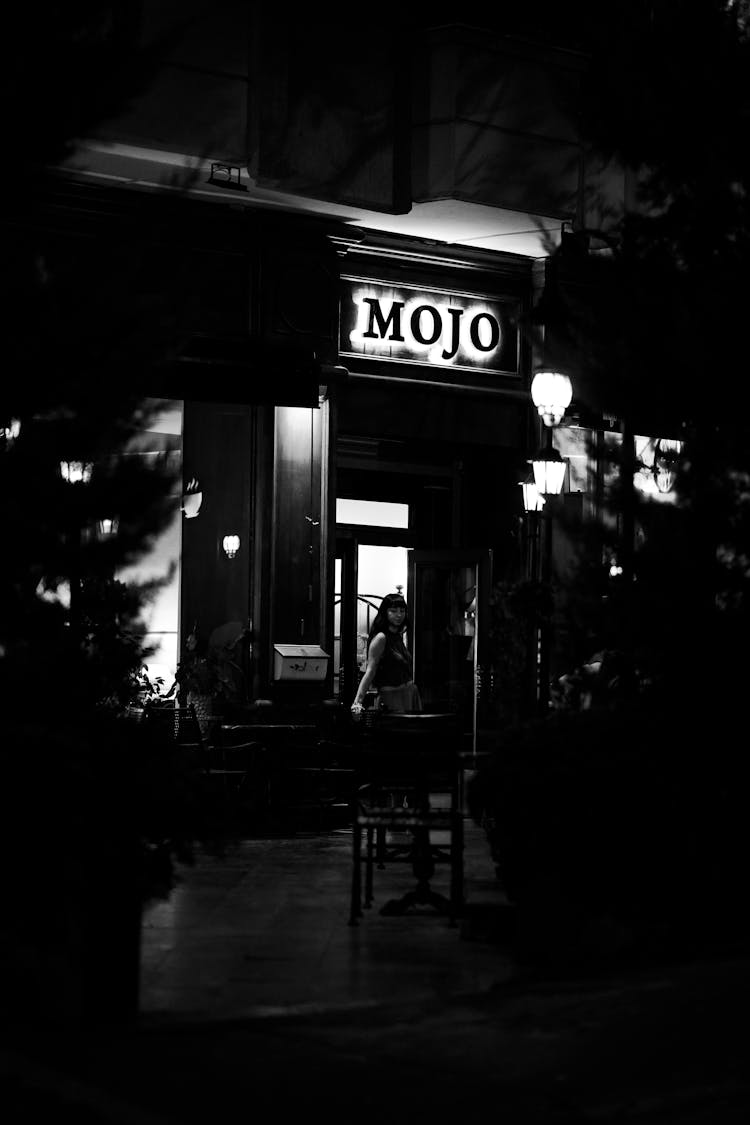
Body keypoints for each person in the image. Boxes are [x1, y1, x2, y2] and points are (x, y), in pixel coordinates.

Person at [351, 592, 422, 715]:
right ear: (385, 612)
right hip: (392, 697)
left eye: (402, 610)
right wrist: (358, 702)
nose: (399, 615)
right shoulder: (381, 638)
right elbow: (370, 671)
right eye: (393, 611)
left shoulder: (397, 635)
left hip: (409, 693)